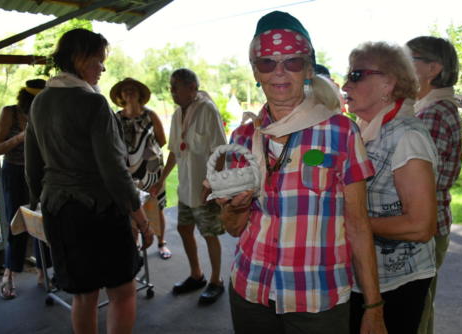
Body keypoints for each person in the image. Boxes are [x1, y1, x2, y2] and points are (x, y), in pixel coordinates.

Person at [215, 11, 386, 334]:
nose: (279, 72)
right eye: (267, 62)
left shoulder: (341, 133)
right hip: (250, 290)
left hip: (317, 300)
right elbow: (234, 229)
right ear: (255, 71)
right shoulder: (242, 138)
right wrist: (234, 208)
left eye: (292, 62)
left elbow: (358, 224)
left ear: (308, 69)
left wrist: (374, 307)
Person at [25, 28, 154, 334]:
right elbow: (114, 172)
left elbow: (32, 166)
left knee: (84, 295)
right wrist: (142, 221)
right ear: (80, 59)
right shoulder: (93, 103)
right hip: (98, 213)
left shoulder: (40, 103)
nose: (102, 68)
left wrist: (37, 203)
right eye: (98, 60)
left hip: (60, 211)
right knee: (122, 292)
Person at [342, 41, 438, 334]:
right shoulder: (363, 130)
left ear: (388, 83)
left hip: (397, 282)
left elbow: (421, 226)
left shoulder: (407, 136)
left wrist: (352, 224)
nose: (346, 84)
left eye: (356, 75)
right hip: (362, 276)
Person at [153, 68, 227, 304]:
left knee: (209, 233)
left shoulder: (207, 109)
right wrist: (162, 178)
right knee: (185, 229)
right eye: (171, 86)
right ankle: (197, 275)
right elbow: (175, 150)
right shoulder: (177, 114)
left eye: (176, 86)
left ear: (192, 88)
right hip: (186, 187)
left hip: (204, 186)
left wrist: (213, 182)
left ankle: (217, 281)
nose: (172, 91)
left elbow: (220, 150)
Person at [406, 36, 462, 334]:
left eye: (409, 58)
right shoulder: (428, 107)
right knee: (420, 308)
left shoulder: (434, 112)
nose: (401, 64)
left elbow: (422, 182)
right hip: (428, 225)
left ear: (433, 68)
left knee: (414, 311)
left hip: (423, 228)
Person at [0, 79, 51, 300]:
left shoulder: (48, 114)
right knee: (16, 223)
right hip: (15, 173)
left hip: (42, 174)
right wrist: (20, 137)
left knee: (42, 221)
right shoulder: (11, 113)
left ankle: (43, 273)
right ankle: (9, 273)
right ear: (27, 99)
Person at [110, 77, 172, 260]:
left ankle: (162, 243)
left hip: (151, 171)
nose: (129, 92)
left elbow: (162, 140)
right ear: (120, 95)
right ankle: (136, 244)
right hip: (127, 171)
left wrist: (146, 154)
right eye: (125, 90)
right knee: (132, 208)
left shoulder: (150, 115)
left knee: (157, 206)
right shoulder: (116, 117)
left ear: (139, 94)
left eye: (133, 89)